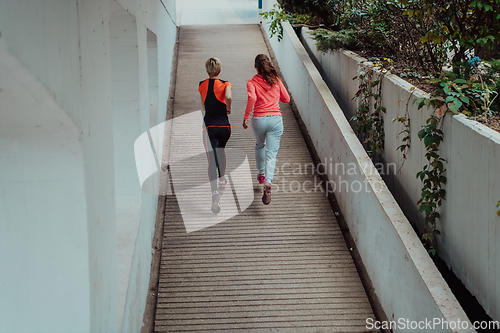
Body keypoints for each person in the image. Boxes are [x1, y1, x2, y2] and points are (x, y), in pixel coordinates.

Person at [242, 54, 290, 205]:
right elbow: (286, 99)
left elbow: (252, 99)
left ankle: (261, 174)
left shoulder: (251, 82)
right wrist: (274, 95)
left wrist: (245, 117)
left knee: (259, 145)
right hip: (276, 120)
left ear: (255, 67)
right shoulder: (276, 80)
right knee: (272, 154)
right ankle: (268, 183)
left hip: (259, 120)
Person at [198, 57, 232, 213]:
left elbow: (204, 105)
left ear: (207, 70)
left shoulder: (201, 85)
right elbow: (229, 97)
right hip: (225, 127)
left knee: (211, 158)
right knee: (221, 151)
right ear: (219, 70)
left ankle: (214, 192)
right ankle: (222, 179)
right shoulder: (226, 84)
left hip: (209, 127)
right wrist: (228, 108)